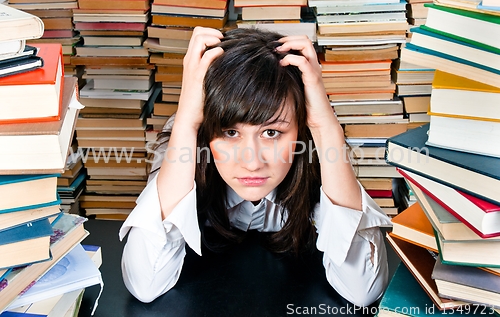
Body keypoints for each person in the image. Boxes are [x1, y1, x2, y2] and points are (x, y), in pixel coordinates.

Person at [119, 27, 392, 307]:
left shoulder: (316, 148)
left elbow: (363, 291)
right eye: (230, 133)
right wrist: (187, 123)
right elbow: (145, 284)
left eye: (271, 133)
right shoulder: (184, 141)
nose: (251, 162)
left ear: (300, 130)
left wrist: (327, 130)